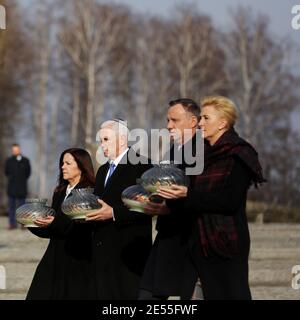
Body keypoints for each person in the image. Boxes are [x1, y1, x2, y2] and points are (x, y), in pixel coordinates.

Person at [156, 96, 266, 300]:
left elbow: (228, 200)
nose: (200, 122)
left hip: (227, 241)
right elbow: (187, 194)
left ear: (223, 122)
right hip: (198, 242)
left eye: (206, 118)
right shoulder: (200, 153)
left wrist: (187, 194)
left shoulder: (239, 154)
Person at [139, 98, 201, 299]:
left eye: (174, 120)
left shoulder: (202, 151)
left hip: (188, 237)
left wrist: (169, 208)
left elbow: (198, 193)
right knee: (147, 292)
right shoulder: (173, 150)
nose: (168, 126)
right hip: (167, 233)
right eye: (168, 120)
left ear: (193, 122)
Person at [85, 119, 153, 299]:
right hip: (102, 256)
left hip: (129, 255)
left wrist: (114, 213)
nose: (101, 145)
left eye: (106, 140)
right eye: (100, 141)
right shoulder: (102, 171)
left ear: (122, 140)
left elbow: (148, 205)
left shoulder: (143, 165)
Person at [26, 148, 96, 300]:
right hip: (54, 256)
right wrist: (33, 222)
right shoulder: (60, 191)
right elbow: (53, 229)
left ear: (81, 166)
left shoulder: (89, 193)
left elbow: (74, 226)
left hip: (78, 258)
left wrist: (53, 223)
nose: (63, 167)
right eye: (62, 163)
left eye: (68, 163)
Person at [4, 144, 31, 229]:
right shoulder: (8, 161)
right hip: (11, 188)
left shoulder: (25, 160)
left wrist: (21, 180)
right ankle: (12, 224)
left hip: (22, 188)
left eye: (16, 149)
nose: (15, 151)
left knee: (22, 208)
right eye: (13, 150)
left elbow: (28, 173)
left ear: (19, 150)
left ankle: (23, 224)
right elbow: (6, 172)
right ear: (12, 151)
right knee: (11, 208)